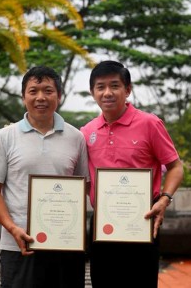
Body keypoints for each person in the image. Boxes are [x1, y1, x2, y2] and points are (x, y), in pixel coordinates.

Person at [0, 66, 90, 288]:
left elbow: (82, 187)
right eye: (33, 91)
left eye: (48, 90)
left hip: (66, 245)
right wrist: (12, 228)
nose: (41, 97)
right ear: (23, 97)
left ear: (59, 96)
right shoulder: (4, 137)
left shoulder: (76, 137)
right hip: (19, 245)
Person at [80, 60, 184, 288]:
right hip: (103, 225)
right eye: (100, 87)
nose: (107, 92)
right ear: (93, 92)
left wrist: (165, 199)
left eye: (114, 85)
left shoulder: (150, 123)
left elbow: (176, 166)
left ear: (128, 89)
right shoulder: (86, 132)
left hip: (143, 221)